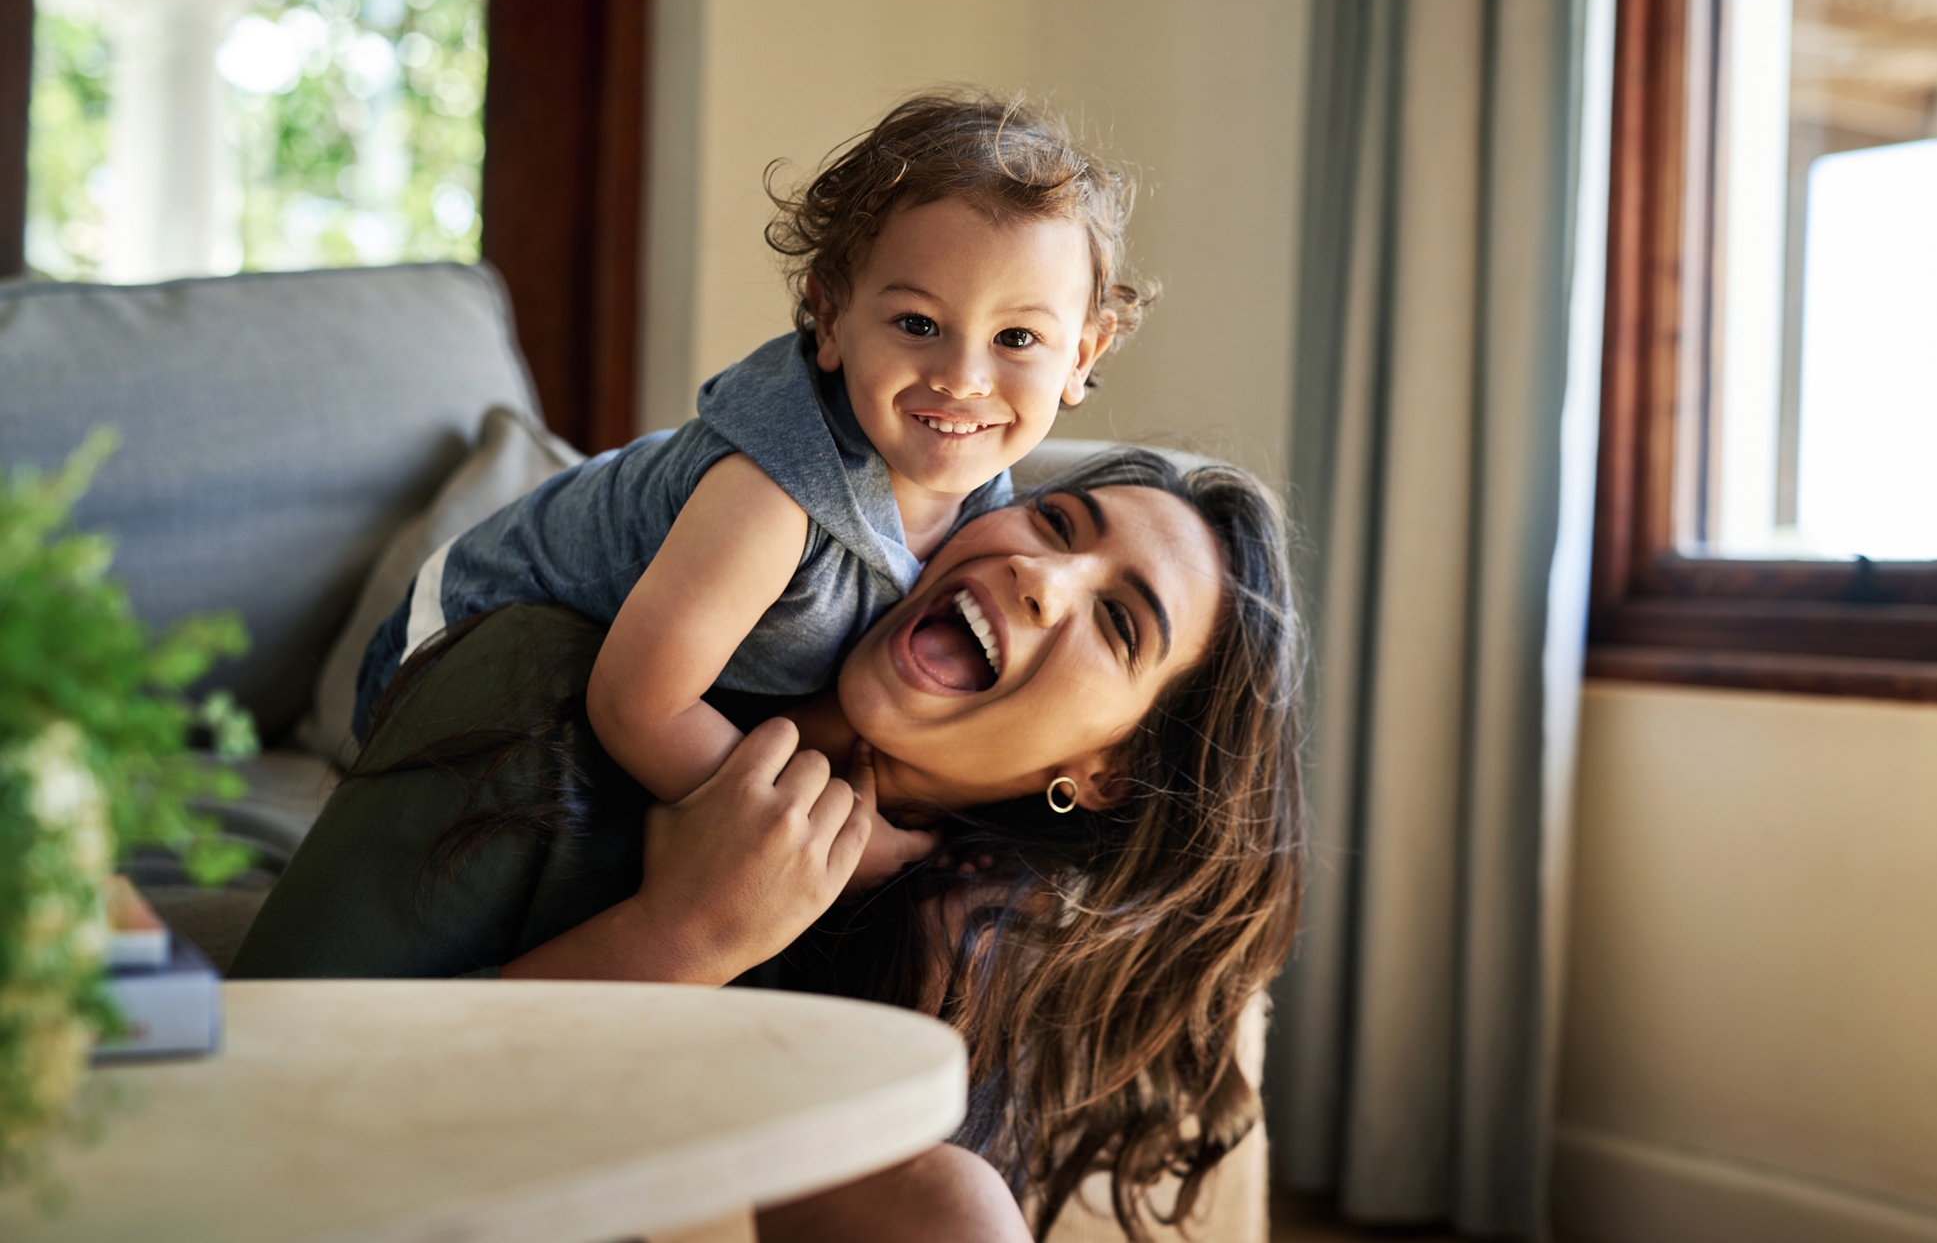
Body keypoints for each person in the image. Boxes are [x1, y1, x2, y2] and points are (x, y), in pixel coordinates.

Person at [236, 452, 1304, 1242]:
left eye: (1117, 623)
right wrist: (681, 931)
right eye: (1058, 521)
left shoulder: (963, 933)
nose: (1042, 573)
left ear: (1102, 773)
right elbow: (267, 1112)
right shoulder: (532, 684)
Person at [350, 91, 1154, 809]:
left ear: (1081, 354)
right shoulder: (770, 500)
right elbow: (639, 706)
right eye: (918, 324)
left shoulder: (991, 498)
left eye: (1017, 337)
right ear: (832, 319)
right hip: (450, 662)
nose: (964, 379)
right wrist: (828, 843)